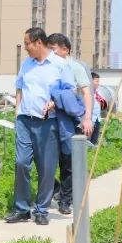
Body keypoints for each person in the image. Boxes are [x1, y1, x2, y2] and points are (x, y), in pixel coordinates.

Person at [7, 27, 70, 226]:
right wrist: (17, 112)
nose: (25, 48)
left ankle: (41, 210)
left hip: (47, 122)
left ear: (38, 43)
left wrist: (55, 101)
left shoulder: (60, 65)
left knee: (46, 168)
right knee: (21, 163)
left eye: (27, 44)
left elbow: (70, 90)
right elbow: (19, 87)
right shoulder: (26, 64)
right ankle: (22, 209)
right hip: (25, 120)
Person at [46, 33, 93, 215]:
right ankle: (56, 189)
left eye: (53, 49)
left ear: (66, 50)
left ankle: (65, 200)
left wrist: (87, 118)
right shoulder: (46, 67)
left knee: (68, 162)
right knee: (45, 160)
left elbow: (86, 93)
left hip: (68, 119)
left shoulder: (75, 67)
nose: (50, 53)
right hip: (48, 119)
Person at [90, 72, 108, 144]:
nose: (98, 83)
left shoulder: (97, 93)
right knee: (89, 137)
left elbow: (103, 105)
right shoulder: (88, 93)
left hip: (97, 118)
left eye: (98, 81)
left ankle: (93, 151)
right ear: (91, 81)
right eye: (96, 81)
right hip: (91, 119)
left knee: (95, 137)